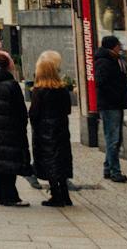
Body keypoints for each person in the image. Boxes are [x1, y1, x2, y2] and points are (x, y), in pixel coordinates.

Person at [0, 50, 31, 206]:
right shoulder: (11, 85)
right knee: (10, 161)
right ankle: (10, 196)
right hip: (11, 128)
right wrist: (22, 123)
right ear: (8, 66)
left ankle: (0, 195)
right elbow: (20, 109)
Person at [28, 50, 73, 207]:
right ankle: (65, 194)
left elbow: (33, 113)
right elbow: (68, 110)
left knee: (49, 162)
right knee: (60, 161)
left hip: (44, 132)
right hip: (61, 130)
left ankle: (56, 195)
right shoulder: (62, 90)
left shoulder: (39, 91)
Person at [95, 35, 127, 183]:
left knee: (114, 138)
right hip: (111, 106)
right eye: (118, 45)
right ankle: (115, 171)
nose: (120, 47)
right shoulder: (105, 62)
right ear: (112, 47)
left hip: (115, 104)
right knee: (113, 139)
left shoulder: (113, 60)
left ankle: (108, 168)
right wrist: (116, 95)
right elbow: (101, 83)